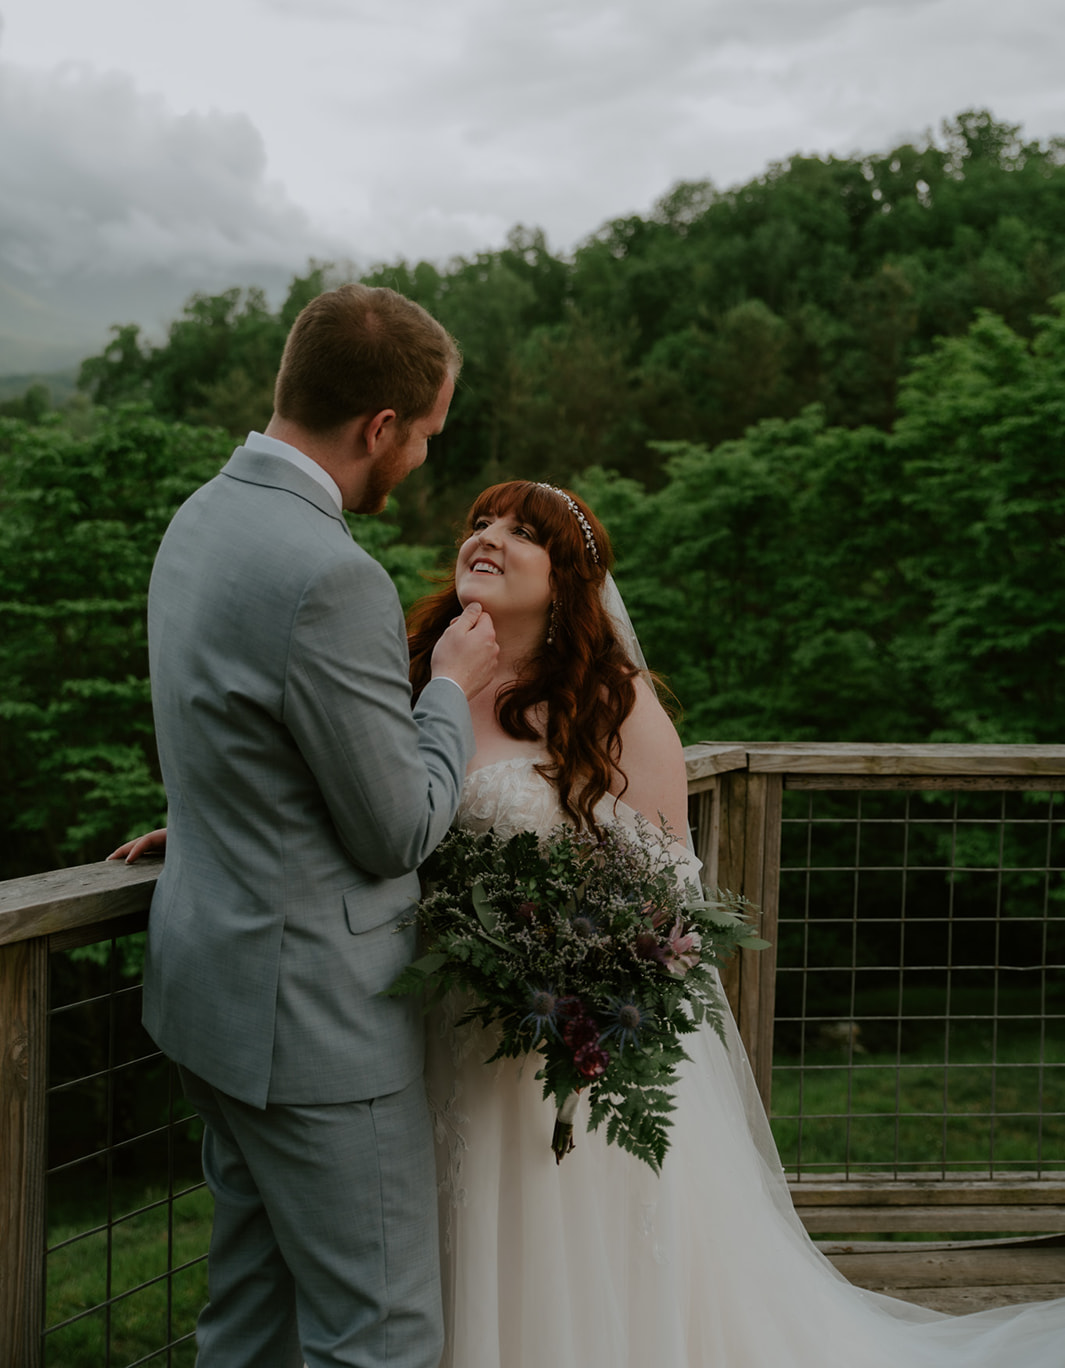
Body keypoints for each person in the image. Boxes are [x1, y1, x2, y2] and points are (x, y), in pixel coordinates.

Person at [121, 478, 1065, 1366]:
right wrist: (224, 829)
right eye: (480, 523)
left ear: (568, 582)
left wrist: (580, 981)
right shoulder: (416, 671)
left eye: (521, 533)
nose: (487, 538)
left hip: (560, 1046)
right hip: (430, 1026)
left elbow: (666, 893)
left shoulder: (616, 707)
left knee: (556, 1253)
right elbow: (361, 799)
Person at [125, 283, 499, 1368]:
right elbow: (399, 828)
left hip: (211, 1000)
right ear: (379, 427)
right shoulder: (334, 575)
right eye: (426, 435)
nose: (424, 458)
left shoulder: (202, 517)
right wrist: (451, 689)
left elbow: (234, 739)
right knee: (376, 1334)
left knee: (248, 1320)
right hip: (315, 1028)